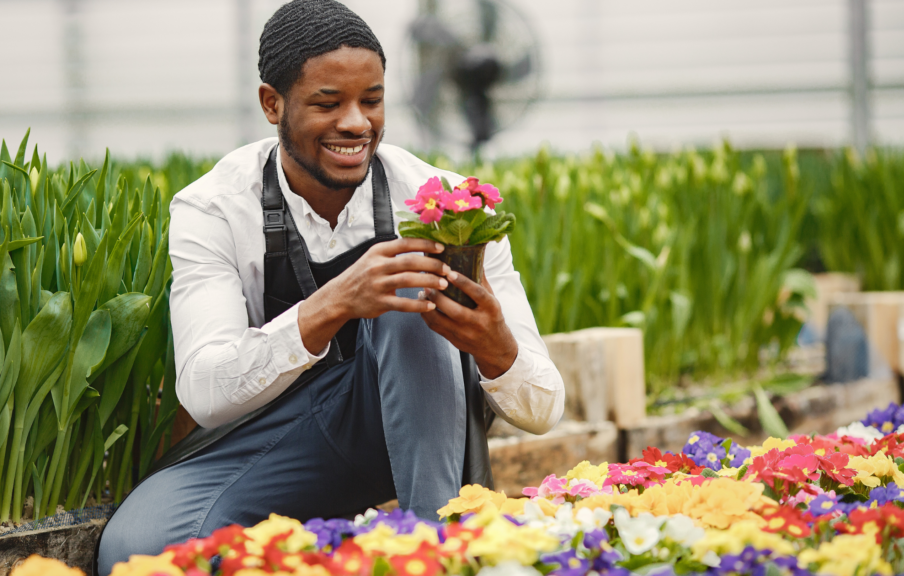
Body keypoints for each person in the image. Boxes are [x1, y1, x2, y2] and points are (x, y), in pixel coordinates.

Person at [97, 1, 564, 572]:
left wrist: (496, 349)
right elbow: (205, 391)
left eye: (372, 100)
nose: (356, 123)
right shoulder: (214, 208)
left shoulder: (449, 203)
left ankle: (433, 549)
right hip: (276, 441)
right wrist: (336, 302)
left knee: (411, 290)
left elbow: (545, 407)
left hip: (415, 443)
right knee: (139, 550)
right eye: (328, 103)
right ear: (273, 103)